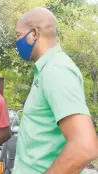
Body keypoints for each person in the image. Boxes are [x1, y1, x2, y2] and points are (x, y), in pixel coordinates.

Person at [13, 7, 98, 174]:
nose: (17, 42)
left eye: (19, 35)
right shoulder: (45, 71)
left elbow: (85, 146)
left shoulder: (56, 70)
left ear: (34, 34)